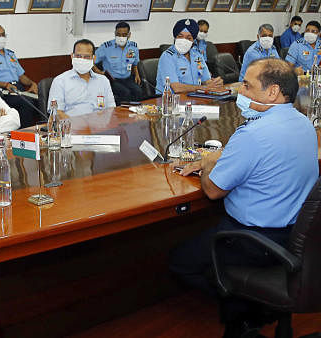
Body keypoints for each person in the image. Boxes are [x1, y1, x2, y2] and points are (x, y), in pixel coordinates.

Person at [170, 58, 318, 338]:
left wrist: (210, 160)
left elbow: (213, 190)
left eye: (248, 86)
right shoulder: (303, 124)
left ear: (272, 92)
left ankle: (246, 316)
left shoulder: (253, 133)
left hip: (252, 238)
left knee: (180, 262)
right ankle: (256, 309)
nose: (241, 92)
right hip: (296, 237)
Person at [0, 24, 40, 128]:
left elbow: (21, 76)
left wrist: (32, 83)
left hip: (18, 89)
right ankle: (26, 134)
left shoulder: (11, 54)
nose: (1, 37)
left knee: (41, 99)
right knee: (26, 103)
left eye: (3, 35)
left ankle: (38, 131)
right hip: (3, 92)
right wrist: (4, 84)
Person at [48, 39, 115, 117]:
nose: (82, 60)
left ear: (93, 59)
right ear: (72, 56)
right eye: (78, 56)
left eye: (87, 57)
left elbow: (111, 109)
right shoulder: (60, 81)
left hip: (100, 127)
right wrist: (77, 125)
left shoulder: (103, 81)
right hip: (73, 127)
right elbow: (56, 113)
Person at [156, 19, 223, 94]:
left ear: (193, 40)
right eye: (180, 36)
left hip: (194, 99)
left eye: (188, 38)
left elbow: (206, 80)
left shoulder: (197, 55)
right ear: (175, 37)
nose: (184, 40)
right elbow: (176, 88)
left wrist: (215, 83)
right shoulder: (167, 56)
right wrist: (202, 88)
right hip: (170, 102)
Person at [94, 21, 143, 104]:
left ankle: (134, 113)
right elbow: (91, 61)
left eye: (124, 35)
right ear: (115, 33)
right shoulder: (106, 47)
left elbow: (134, 63)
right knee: (125, 93)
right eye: (118, 34)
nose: (121, 37)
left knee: (138, 91)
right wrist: (100, 73)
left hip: (127, 78)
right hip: (113, 80)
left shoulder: (133, 47)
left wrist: (137, 75)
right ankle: (123, 115)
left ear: (129, 35)